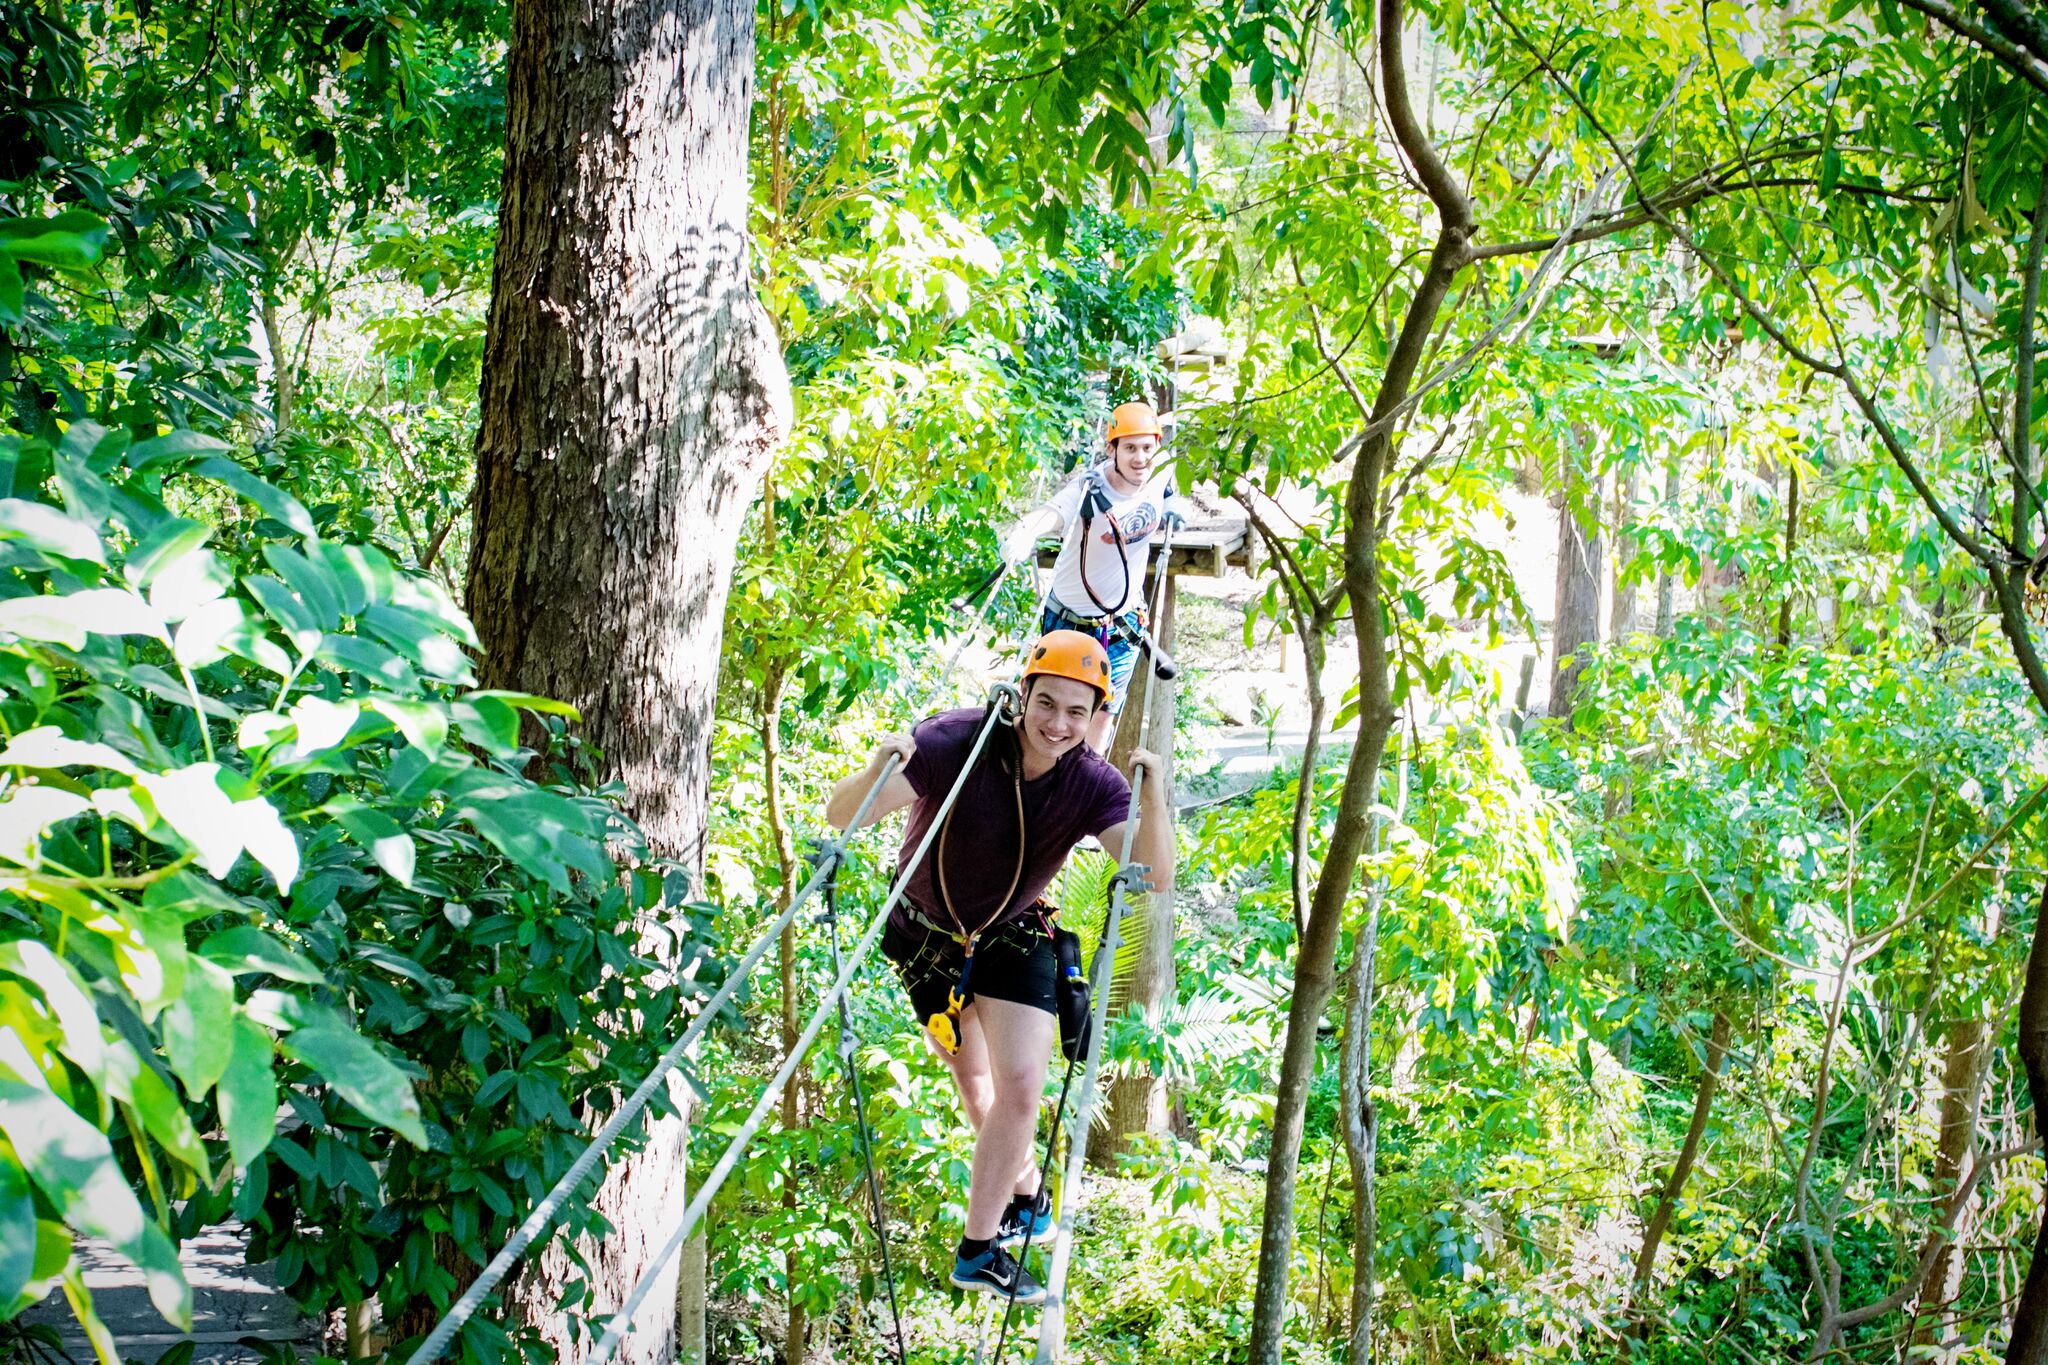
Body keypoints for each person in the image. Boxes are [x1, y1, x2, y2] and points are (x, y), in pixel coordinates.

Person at [824, 631, 1176, 1303]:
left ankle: (979, 1248)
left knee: (1020, 1084)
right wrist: (876, 769)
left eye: (1077, 712)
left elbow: (1155, 874)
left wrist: (1153, 795)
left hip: (1014, 933)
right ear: (1021, 697)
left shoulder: (1091, 782)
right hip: (926, 941)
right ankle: (1023, 1190)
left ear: (1098, 715)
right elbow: (843, 815)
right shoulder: (957, 741)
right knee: (974, 1082)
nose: (1058, 724)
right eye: (1046, 703)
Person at [1000, 400, 1180, 751]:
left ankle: (1086, 791)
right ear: (1112, 449)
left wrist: (1174, 504)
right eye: (1129, 448)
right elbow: (1054, 512)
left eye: (1147, 447)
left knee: (1102, 715)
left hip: (1123, 623)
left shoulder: (1160, 472)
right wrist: (1025, 532)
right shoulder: (1090, 489)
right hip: (1070, 623)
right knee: (1052, 715)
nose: (1140, 458)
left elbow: (1169, 484)